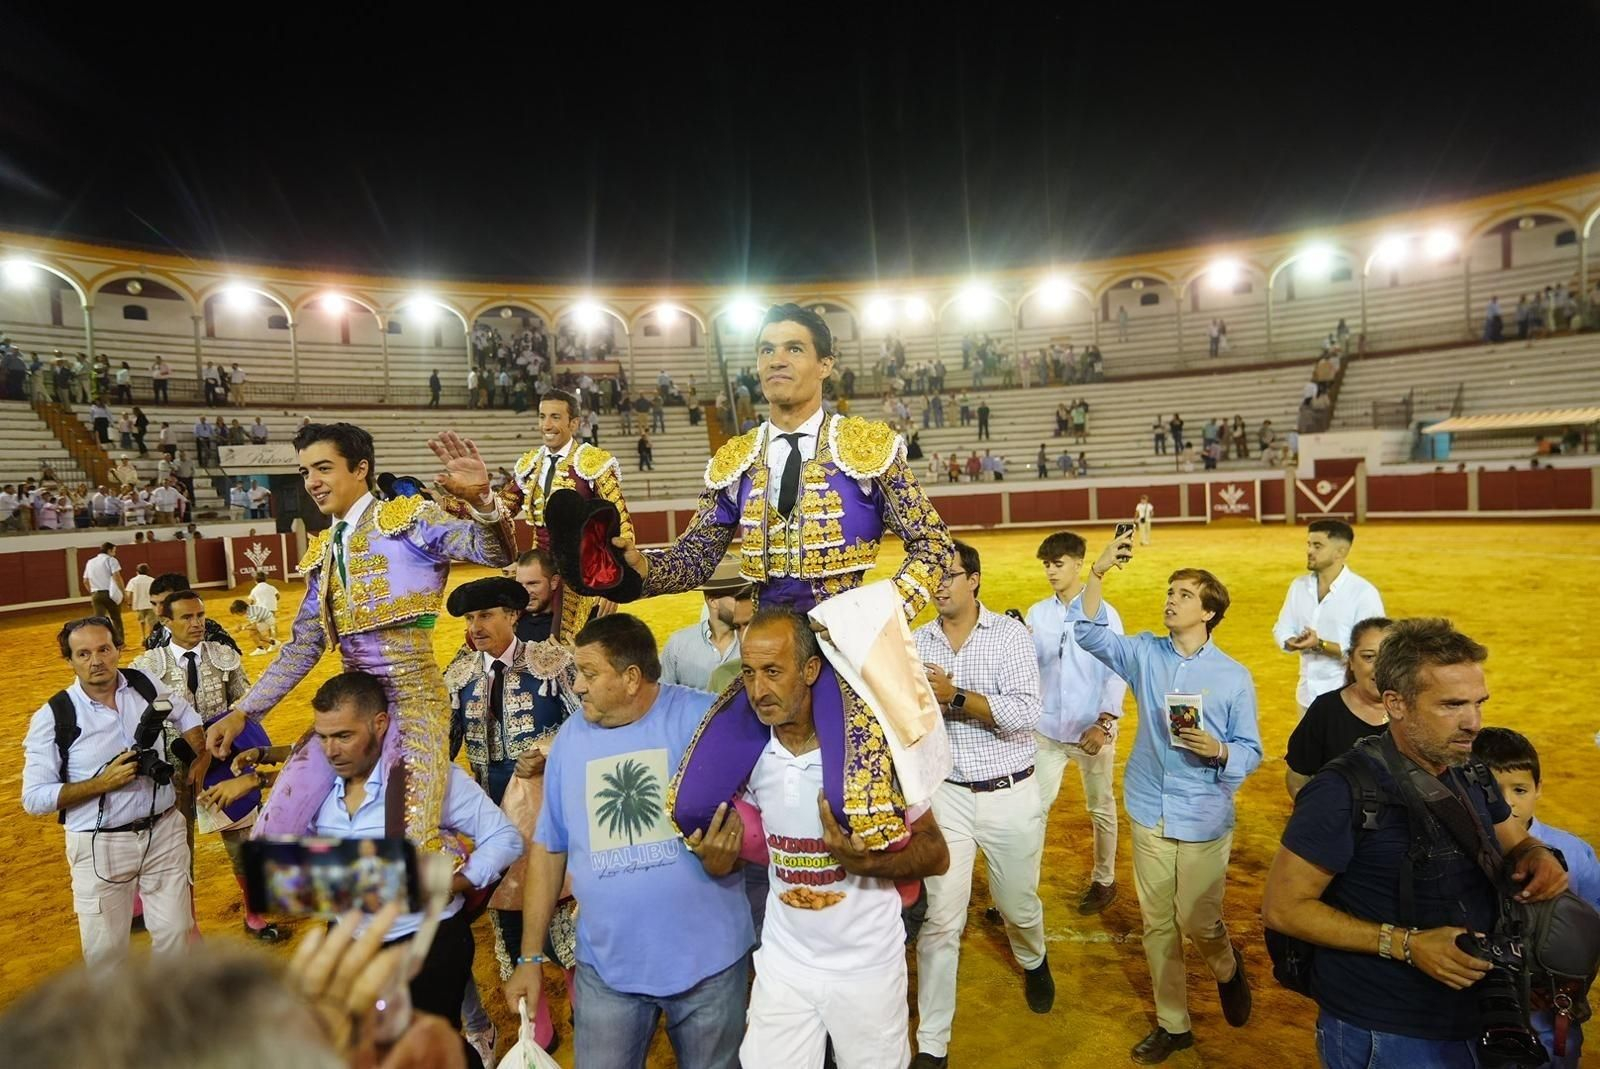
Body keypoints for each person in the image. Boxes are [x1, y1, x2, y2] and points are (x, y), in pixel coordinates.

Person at [1262, 619, 1570, 1069]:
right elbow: (1283, 908)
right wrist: (1406, 944)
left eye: (1478, 703)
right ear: (1396, 704)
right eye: (1452, 705)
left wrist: (1537, 855)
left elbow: (1514, 842)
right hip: (1386, 1030)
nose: (1474, 723)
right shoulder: (1341, 791)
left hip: (1480, 1015)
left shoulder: (1471, 771)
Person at [202, 422, 517, 853]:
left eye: (323, 468)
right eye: (305, 472)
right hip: (350, 712)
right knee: (273, 836)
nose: (312, 482)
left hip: (413, 706)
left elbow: (495, 553)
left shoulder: (408, 522)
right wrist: (244, 712)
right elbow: (304, 646)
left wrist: (483, 501)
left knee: (409, 843)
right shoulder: (324, 550)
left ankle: (452, 880)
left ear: (361, 468)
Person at [502, 614, 754, 1069]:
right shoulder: (569, 742)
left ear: (632, 678)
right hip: (607, 968)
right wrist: (531, 955)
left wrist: (733, 853)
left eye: (590, 673)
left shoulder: (704, 718)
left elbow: (759, 815)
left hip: (709, 966)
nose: (576, 686)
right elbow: (549, 848)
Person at [612, 303, 950, 620]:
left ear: (826, 365)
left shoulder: (866, 447)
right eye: (766, 350)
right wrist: (642, 565)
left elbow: (934, 544)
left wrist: (876, 619)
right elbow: (696, 557)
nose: (777, 360)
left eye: (795, 348)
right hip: (767, 649)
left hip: (847, 652)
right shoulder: (738, 457)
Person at [1074, 532, 1262, 1063]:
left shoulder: (1233, 677)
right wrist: (1098, 571)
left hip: (1203, 814)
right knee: (1158, 923)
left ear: (1208, 612)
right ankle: (1173, 1024)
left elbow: (1252, 750)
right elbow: (1087, 631)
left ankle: (1226, 965)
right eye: (1169, 591)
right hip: (1148, 806)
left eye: (1183, 594)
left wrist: (1221, 749)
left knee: (1197, 920)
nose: (1170, 599)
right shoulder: (1143, 653)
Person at [737, 609, 951, 1069]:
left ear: (811, 670)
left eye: (774, 672)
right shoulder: (748, 756)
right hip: (783, 963)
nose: (759, 690)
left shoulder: (872, 751)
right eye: (749, 673)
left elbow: (936, 852)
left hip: (867, 967)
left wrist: (869, 864)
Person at [301, 671, 522, 1062]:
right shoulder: (315, 786)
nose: (331, 750)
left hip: (426, 944)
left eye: (343, 736)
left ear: (380, 724)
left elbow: (505, 838)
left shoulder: (433, 779)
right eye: (323, 736)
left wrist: (450, 883)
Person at [913, 541, 1049, 1067]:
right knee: (942, 920)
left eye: (948, 575)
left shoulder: (1011, 636)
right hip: (947, 796)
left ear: (974, 580)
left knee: (1017, 905)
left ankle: (1034, 958)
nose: (938, 585)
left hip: (1010, 792)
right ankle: (932, 1043)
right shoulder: (915, 640)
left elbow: (1023, 715)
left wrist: (955, 697)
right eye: (933, 576)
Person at [443, 576, 577, 1058]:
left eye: (486, 616)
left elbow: (586, 721)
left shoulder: (551, 661)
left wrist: (545, 748)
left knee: (563, 907)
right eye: (471, 619)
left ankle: (581, 995)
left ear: (513, 616)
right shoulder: (458, 675)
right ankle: (532, 1020)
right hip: (488, 812)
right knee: (505, 911)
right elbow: (444, 745)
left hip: (548, 805)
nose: (476, 627)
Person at [21, 617, 206, 966]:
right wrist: (101, 784)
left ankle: (171, 1017)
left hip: (164, 829)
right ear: (70, 660)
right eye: (83, 653)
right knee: (107, 955)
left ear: (118, 649)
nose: (96, 661)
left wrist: (200, 755)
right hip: (99, 843)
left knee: (178, 933)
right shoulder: (54, 716)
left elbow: (185, 714)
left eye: (104, 649)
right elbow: (34, 797)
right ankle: (118, 1022)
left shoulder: (143, 683)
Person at [132, 589, 280, 941]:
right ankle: (190, 926)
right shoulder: (147, 666)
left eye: (200, 615)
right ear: (165, 622)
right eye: (186, 617)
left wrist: (213, 752)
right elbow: (140, 724)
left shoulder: (224, 655)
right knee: (176, 849)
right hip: (171, 767)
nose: (197, 623)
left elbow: (245, 709)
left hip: (223, 761)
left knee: (242, 841)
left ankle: (254, 913)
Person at [1473, 727, 1600, 1066]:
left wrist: (1567, 990)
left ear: (1539, 789)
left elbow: (1590, 935)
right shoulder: (1453, 854)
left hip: (1548, 1020)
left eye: (1519, 789)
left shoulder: (1574, 854)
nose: (1508, 802)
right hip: (1471, 1020)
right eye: (1493, 792)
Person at [1025, 532, 1127, 917]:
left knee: (1101, 807)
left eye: (1059, 562)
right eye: (1047, 564)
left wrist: (1104, 722)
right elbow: (1030, 667)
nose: (1051, 570)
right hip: (1047, 730)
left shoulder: (1105, 613)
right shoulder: (1038, 613)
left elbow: (1117, 670)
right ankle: (1022, 886)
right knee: (1033, 809)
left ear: (1079, 564)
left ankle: (1104, 879)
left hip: (1092, 731)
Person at [497, 389, 633, 642]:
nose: (546, 425)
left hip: (583, 575)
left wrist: (613, 586)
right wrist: (473, 498)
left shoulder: (594, 462)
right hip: (538, 572)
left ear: (574, 423)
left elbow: (621, 527)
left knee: (567, 645)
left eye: (555, 417)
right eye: (542, 416)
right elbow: (501, 509)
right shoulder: (530, 463)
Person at [1273, 520, 1387, 716]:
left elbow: (1372, 651)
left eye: (1317, 546)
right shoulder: (1298, 586)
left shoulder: (1363, 593)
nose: (1309, 551)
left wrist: (1320, 644)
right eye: (1308, 544)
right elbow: (1281, 628)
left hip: (1349, 699)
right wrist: (1291, 642)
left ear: (1340, 552)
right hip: (1306, 696)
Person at [1284, 617, 1393, 797]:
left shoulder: (1419, 712)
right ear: (1350, 660)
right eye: (1369, 657)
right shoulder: (1326, 710)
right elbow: (1298, 775)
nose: (1380, 668)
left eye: (1389, 657)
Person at [659, 557, 754, 690]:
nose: (744, 603)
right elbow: (662, 698)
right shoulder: (678, 645)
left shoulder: (757, 644)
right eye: (737, 597)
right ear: (712, 601)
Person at [81, 541, 126, 646]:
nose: (114, 553)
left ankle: (98, 643)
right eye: (114, 551)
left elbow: (85, 581)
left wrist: (93, 593)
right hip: (110, 593)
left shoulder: (90, 562)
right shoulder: (111, 560)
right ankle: (119, 642)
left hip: (96, 594)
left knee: (98, 620)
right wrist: (123, 592)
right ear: (109, 550)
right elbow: (117, 577)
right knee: (116, 618)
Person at [126, 563, 157, 640]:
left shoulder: (133, 580)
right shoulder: (152, 580)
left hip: (138, 605)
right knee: (152, 623)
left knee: (141, 621)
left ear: (137, 572)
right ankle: (150, 637)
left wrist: (129, 603)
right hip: (150, 604)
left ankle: (143, 637)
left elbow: (129, 592)